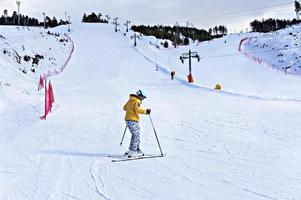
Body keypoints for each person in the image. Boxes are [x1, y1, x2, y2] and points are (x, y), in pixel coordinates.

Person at [123, 90, 151, 157]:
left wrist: (130, 110)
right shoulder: (137, 101)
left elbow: (124, 108)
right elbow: (137, 109)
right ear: (140, 96)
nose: (143, 99)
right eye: (143, 97)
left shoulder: (131, 100)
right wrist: (146, 111)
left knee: (136, 134)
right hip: (133, 120)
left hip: (129, 119)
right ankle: (133, 151)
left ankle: (135, 149)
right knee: (136, 135)